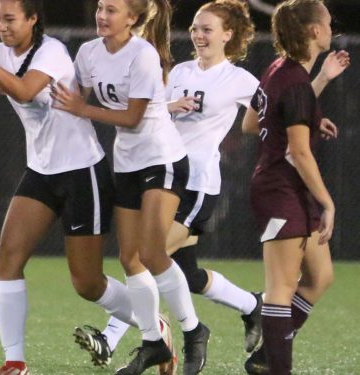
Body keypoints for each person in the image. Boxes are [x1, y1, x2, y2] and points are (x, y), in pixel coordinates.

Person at [0, 1, 173, 374]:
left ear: (33, 19)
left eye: (10, 19)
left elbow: (25, 90)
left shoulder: (52, 51)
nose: (1, 26)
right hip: (41, 170)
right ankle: (14, 362)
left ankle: (153, 326)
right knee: (8, 259)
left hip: (82, 172)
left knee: (87, 283)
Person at [90, 0, 263, 360]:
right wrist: (169, 107)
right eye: (196, 28)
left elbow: (274, 108)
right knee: (187, 273)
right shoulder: (180, 71)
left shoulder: (239, 79)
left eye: (207, 29)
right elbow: (150, 114)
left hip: (197, 184)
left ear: (228, 35)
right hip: (165, 174)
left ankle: (111, 337)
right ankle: (251, 305)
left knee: (143, 257)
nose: (198, 35)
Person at [50, 0, 211, 374]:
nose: (102, 16)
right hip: (126, 162)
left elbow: (133, 117)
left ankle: (193, 330)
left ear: (133, 19)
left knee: (153, 253)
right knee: (129, 259)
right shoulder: (89, 51)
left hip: (161, 157)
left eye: (112, 10)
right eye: (101, 7)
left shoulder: (142, 55)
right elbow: (70, 95)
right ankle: (153, 342)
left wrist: (80, 109)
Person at [239, 1, 350, 374]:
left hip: (288, 190)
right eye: (328, 22)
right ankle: (276, 365)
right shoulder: (295, 82)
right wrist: (328, 203)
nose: (332, 25)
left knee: (320, 278)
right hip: (280, 191)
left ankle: (269, 355)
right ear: (314, 32)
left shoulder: (278, 70)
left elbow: (253, 122)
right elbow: (299, 152)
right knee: (280, 290)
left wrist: (317, 92)